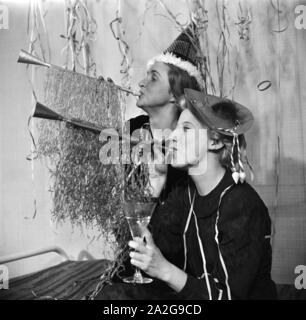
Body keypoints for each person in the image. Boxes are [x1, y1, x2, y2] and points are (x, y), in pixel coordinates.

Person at [124, 88, 278, 300]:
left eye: (186, 129)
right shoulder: (184, 194)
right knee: (114, 295)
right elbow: (146, 255)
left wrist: (165, 270)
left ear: (214, 142)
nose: (172, 137)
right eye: (176, 127)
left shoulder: (241, 204)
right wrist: (154, 187)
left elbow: (227, 296)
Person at [128, 22, 204, 200]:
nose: (141, 83)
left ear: (176, 94)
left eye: (153, 77)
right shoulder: (131, 130)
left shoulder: (190, 142)